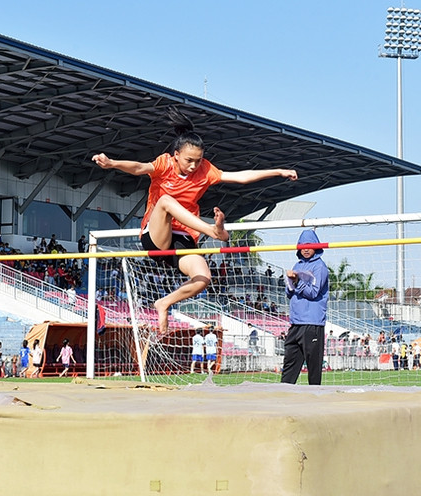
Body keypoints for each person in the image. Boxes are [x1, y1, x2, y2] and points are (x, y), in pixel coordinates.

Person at [92, 107, 297, 334]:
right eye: (189, 160)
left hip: (184, 237)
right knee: (166, 201)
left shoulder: (205, 170)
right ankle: (214, 232)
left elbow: (240, 177)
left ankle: (164, 303)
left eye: (198, 161)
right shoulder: (164, 164)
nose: (193, 166)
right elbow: (140, 167)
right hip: (157, 235)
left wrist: (278, 171)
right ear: (176, 155)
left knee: (203, 277)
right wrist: (112, 163)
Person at [281, 229, 329, 385]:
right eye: (302, 246)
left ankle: (315, 397)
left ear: (316, 246)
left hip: (312, 324)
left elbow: (313, 292)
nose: (306, 249)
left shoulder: (320, 267)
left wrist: (297, 281)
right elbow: (290, 292)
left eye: (309, 245)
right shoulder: (298, 265)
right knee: (289, 365)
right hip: (296, 323)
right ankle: (283, 394)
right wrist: (290, 283)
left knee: (313, 369)